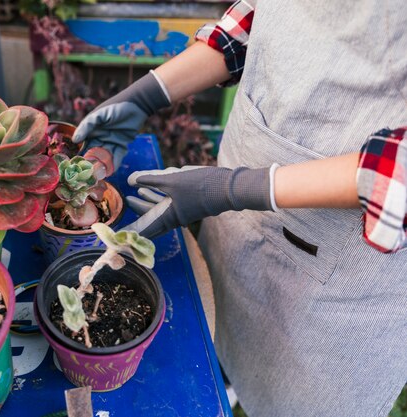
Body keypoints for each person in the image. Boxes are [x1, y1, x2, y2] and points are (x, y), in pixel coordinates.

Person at [72, 1, 407, 416]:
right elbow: (262, 20)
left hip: (339, 264)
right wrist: (145, 95)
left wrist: (233, 188)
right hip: (242, 191)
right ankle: (226, 382)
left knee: (293, 391)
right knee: (216, 323)